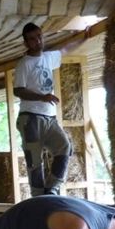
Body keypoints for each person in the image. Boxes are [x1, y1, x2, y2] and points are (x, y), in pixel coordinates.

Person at [14, 22, 79, 196]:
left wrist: (84, 36)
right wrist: (42, 97)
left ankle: (51, 189)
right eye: (33, 39)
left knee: (65, 147)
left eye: (39, 36)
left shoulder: (48, 57)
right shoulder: (24, 64)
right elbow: (17, 90)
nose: (38, 41)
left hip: (50, 118)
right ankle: (38, 197)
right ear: (26, 43)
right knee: (35, 162)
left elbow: (65, 50)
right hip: (31, 119)